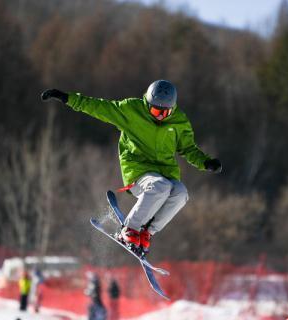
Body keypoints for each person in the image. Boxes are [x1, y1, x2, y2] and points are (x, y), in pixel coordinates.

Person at [41, 80, 222, 255]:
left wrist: (205, 162)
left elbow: (188, 149)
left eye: (164, 113)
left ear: (172, 109)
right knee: (161, 186)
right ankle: (129, 229)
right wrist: (67, 98)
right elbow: (99, 107)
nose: (159, 116)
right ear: (147, 103)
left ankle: (146, 233)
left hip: (165, 173)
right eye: (154, 110)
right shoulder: (131, 110)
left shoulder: (180, 121)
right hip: (138, 171)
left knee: (181, 193)